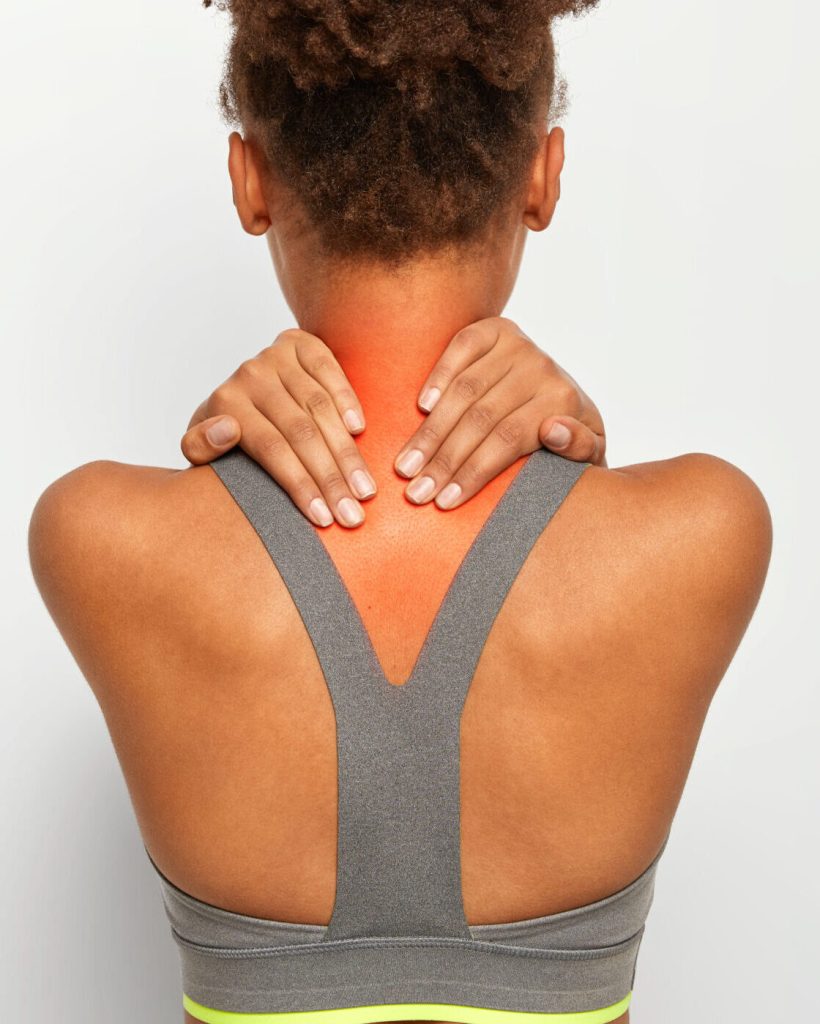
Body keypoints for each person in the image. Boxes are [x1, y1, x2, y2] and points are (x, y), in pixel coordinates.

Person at [27, 1, 773, 1022]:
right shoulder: (708, 533)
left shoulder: (93, 536)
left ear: (249, 183)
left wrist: (202, 456)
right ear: (543, 177)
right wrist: (587, 454)